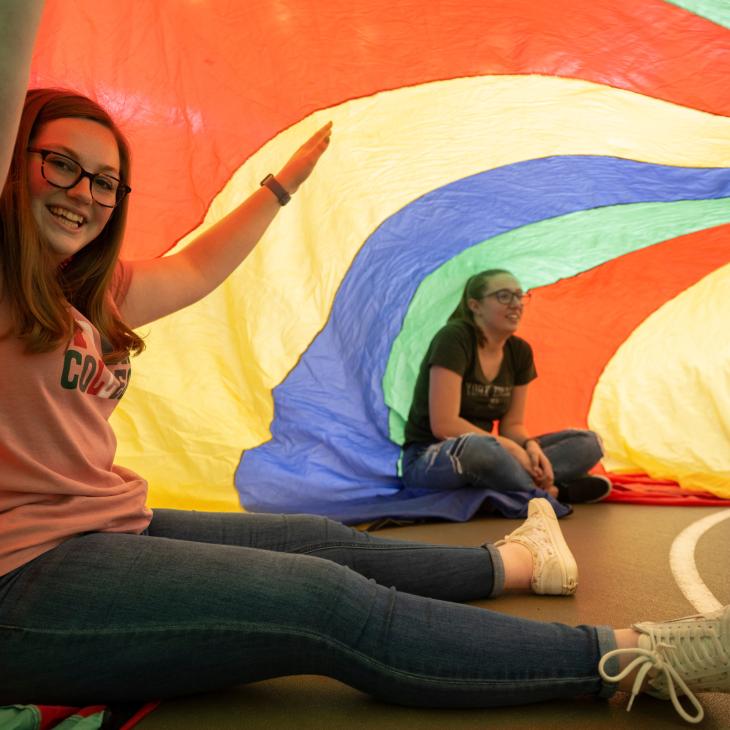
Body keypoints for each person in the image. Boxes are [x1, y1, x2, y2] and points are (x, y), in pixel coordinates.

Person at [0, 3, 728, 725]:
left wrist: (280, 187)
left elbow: (195, 268)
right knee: (322, 600)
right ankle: (628, 656)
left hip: (104, 526)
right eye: (60, 165)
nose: (82, 193)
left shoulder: (95, 296)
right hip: (22, 576)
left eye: (103, 181)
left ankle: (518, 562)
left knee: (320, 540)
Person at [402, 268, 612, 505]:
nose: (516, 304)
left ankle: (518, 488)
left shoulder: (519, 351)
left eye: (519, 295)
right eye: (504, 296)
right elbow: (444, 425)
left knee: (588, 443)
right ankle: (548, 494)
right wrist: (512, 449)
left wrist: (530, 447)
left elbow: (512, 425)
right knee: (477, 449)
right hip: (434, 456)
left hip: (494, 454)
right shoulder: (454, 338)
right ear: (475, 306)